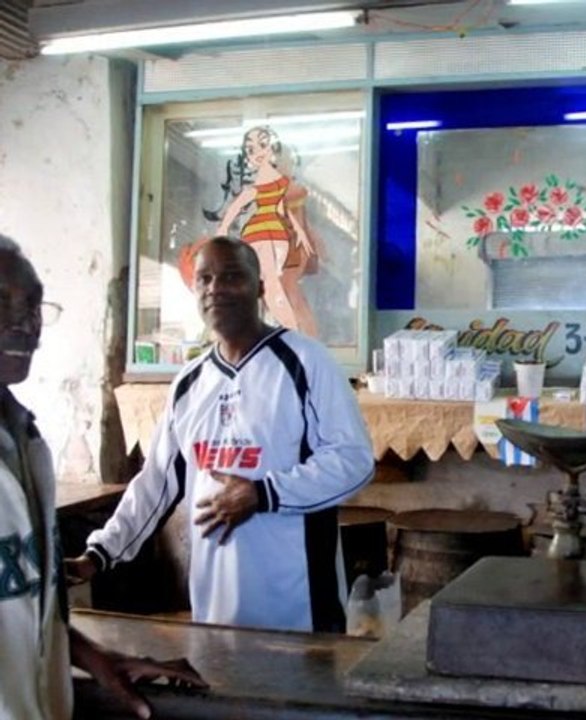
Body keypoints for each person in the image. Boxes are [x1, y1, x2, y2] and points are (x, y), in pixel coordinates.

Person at [69, 236, 374, 633]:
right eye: (205, 279)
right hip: (215, 607)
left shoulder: (304, 361)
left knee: (301, 691)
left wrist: (261, 493)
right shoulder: (189, 383)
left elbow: (353, 460)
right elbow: (155, 485)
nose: (216, 289)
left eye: (232, 276)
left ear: (261, 287)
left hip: (298, 607)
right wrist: (98, 554)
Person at [0, 234, 206, 720]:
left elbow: (23, 606)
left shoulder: (25, 440)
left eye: (32, 304)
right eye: (2, 302)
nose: (24, 322)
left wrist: (95, 657)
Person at [206, 125, 322, 337]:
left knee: (277, 288)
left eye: (263, 148)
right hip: (272, 238)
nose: (258, 154)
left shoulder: (282, 188)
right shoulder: (270, 187)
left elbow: (297, 217)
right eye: (251, 150)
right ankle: (298, 337)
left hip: (276, 239)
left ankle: (297, 337)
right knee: (279, 290)